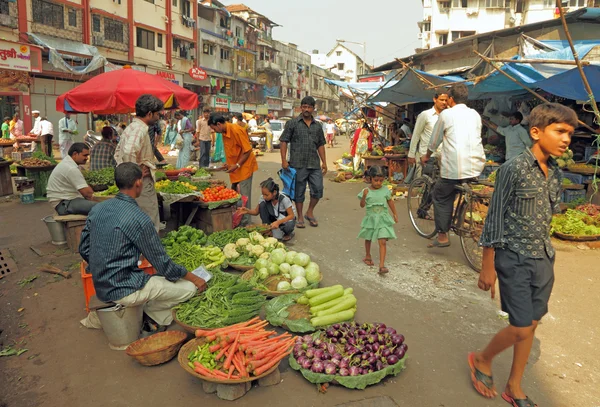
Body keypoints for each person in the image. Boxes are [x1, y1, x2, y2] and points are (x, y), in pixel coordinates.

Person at [471, 103, 577, 406]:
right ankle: (482, 358)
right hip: (513, 256)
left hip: (543, 258)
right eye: (559, 131)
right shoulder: (513, 168)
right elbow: (495, 217)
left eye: (569, 134)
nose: (566, 139)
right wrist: (487, 266)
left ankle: (514, 385)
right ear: (536, 132)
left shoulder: (555, 172)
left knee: (531, 323)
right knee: (519, 326)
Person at [79, 162, 205, 330]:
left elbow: (84, 248)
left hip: (101, 285)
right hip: (125, 288)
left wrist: (103, 266)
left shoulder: (98, 209)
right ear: (139, 183)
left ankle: (143, 311)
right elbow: (163, 265)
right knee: (189, 289)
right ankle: (149, 315)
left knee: (157, 281)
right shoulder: (139, 218)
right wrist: (194, 278)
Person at [422, 83, 485, 248]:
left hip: (454, 167)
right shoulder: (475, 114)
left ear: (451, 99)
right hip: (476, 167)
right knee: (456, 189)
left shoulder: (446, 115)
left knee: (441, 195)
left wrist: (426, 156)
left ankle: (442, 236)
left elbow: (434, 141)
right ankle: (459, 214)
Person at [115, 94, 163, 231]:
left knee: (136, 218)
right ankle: (150, 250)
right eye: (157, 114)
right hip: (140, 181)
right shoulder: (139, 129)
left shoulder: (131, 127)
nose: (158, 117)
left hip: (133, 181)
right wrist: (136, 174)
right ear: (149, 114)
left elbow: (118, 153)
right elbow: (129, 151)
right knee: (149, 218)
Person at [279, 96, 327, 228]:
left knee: (317, 189)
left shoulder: (318, 126)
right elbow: (283, 141)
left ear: (313, 109)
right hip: (297, 164)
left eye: (309, 107)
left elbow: (321, 145)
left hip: (314, 164)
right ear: (301, 107)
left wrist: (324, 162)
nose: (306, 109)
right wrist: (283, 160)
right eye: (304, 107)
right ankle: (300, 216)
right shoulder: (292, 123)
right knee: (298, 192)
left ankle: (309, 212)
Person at [207, 113, 258, 226]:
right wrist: (228, 164)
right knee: (235, 195)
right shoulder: (224, 133)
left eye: (214, 128)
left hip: (244, 166)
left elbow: (247, 150)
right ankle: (238, 219)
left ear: (219, 124)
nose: (214, 131)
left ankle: (246, 224)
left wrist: (237, 165)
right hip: (235, 168)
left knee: (245, 197)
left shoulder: (236, 130)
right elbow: (233, 151)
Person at [358, 166, 398, 275]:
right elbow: (362, 205)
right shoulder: (366, 191)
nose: (378, 183)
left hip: (383, 219)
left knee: (383, 241)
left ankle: (381, 265)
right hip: (371, 218)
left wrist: (394, 214)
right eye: (376, 180)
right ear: (370, 178)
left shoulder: (385, 190)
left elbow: (390, 202)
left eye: (381, 180)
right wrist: (364, 197)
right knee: (368, 237)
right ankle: (367, 255)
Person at [47, 143, 97, 216]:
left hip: (66, 201)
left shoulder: (68, 163)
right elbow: (87, 193)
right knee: (101, 208)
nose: (87, 158)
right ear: (75, 154)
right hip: (64, 204)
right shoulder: (71, 168)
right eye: (85, 155)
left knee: (100, 206)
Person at [407, 93, 449, 178]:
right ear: (435, 99)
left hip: (444, 157)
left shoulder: (448, 116)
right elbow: (416, 135)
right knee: (427, 183)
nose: (444, 102)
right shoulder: (425, 115)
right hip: (428, 156)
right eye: (441, 100)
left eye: (446, 100)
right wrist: (411, 154)